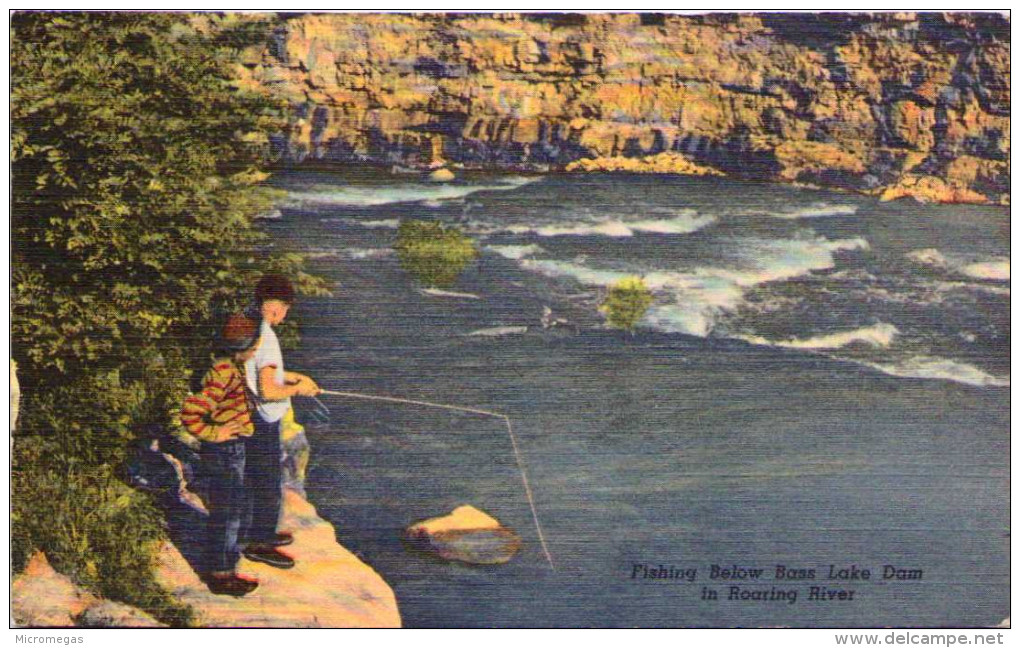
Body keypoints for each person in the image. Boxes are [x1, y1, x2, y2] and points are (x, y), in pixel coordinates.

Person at [180, 314, 262, 596]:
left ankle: (226, 565)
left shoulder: (231, 368)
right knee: (226, 513)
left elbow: (233, 404)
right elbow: (191, 413)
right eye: (254, 347)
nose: (256, 351)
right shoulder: (223, 373)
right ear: (243, 347)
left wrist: (242, 426)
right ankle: (221, 574)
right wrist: (217, 433)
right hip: (223, 452)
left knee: (232, 508)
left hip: (232, 449)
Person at [242, 274, 320, 568]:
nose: (285, 316)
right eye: (285, 309)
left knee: (261, 479)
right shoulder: (268, 337)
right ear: (276, 307)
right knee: (267, 482)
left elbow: (261, 376)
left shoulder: (251, 327)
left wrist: (294, 376)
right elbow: (268, 390)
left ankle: (261, 533)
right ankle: (258, 542)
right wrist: (297, 389)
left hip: (253, 416)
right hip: (263, 418)